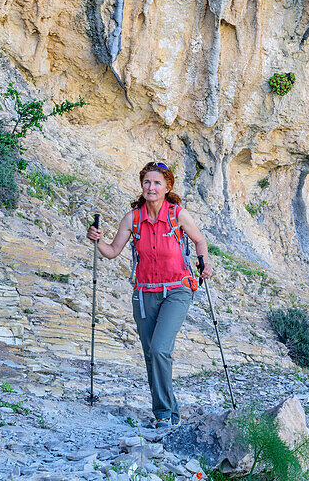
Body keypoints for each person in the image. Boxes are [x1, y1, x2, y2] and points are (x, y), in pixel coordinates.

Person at [86, 161, 213, 429]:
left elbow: (200, 240)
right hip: (143, 294)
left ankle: (164, 415)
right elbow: (112, 251)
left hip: (177, 289)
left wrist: (204, 262)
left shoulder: (177, 214)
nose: (151, 187)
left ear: (167, 187)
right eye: (147, 182)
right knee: (150, 354)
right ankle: (169, 413)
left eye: (156, 183)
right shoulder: (133, 218)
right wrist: (97, 240)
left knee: (159, 349)